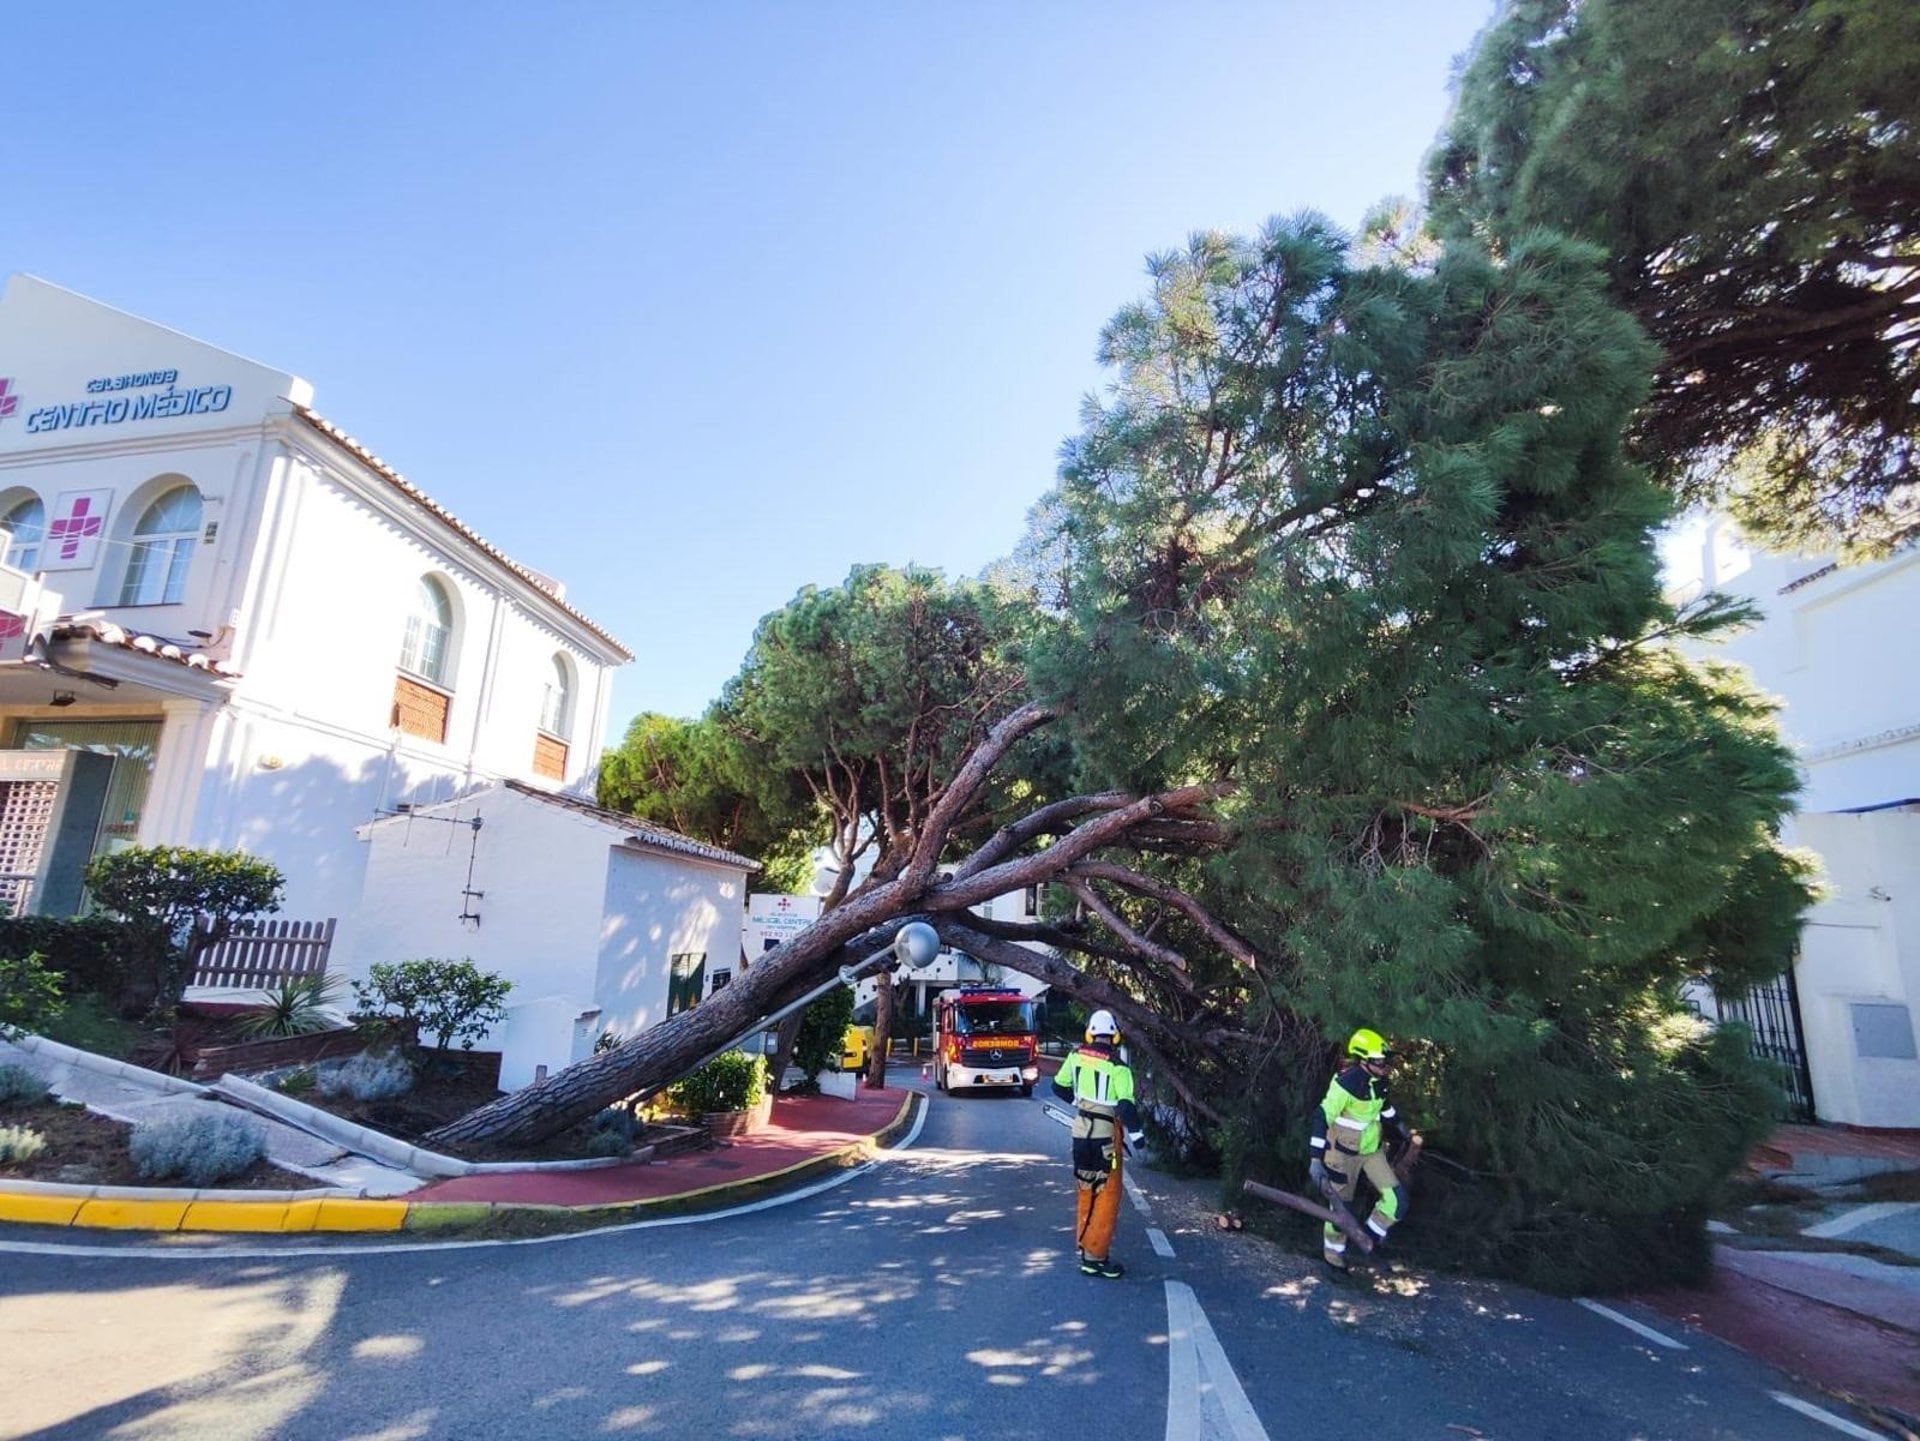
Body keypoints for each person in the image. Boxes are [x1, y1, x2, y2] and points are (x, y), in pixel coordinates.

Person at [1308, 1027, 1415, 1271]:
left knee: (1397, 1201)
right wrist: (1315, 1159)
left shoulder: (1380, 1081)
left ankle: (1367, 1242)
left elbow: (1384, 1106)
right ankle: (1333, 1259)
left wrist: (1399, 1124)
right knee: (1340, 1212)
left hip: (1371, 1151)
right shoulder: (1345, 1084)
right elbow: (1321, 1117)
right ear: (1364, 1060)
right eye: (1379, 1060)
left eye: (1385, 1060)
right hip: (1341, 1154)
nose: (1385, 1065)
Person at [1051, 1008, 1143, 1279]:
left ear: (1090, 1033)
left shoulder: (1075, 1057)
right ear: (1114, 1036)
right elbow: (1126, 1107)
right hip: (1105, 1135)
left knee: (1085, 1187)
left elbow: (1058, 1087)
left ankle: (1084, 1245)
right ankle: (1095, 1257)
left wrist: (1080, 1103)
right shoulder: (1118, 1067)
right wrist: (1138, 1137)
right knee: (1107, 1194)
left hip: (1080, 1132)